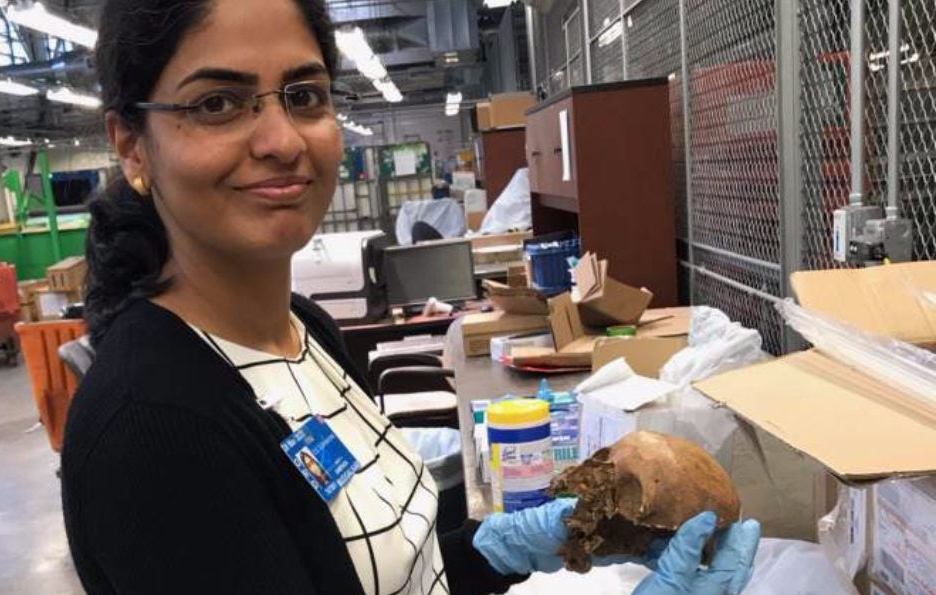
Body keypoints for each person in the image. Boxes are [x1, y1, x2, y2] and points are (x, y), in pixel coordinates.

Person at [60, 0, 762, 593]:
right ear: (132, 146)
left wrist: (491, 550)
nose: (280, 140)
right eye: (218, 103)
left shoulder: (305, 331)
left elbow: (389, 573)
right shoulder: (152, 428)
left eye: (303, 95)